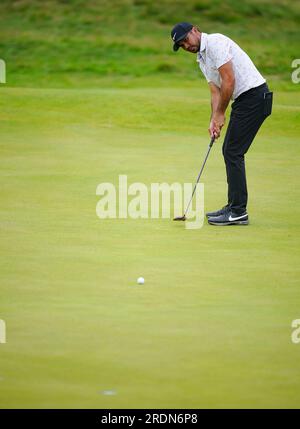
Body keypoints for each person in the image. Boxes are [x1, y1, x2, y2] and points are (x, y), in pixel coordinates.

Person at [171, 22, 273, 226]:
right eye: (181, 45)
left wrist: (220, 113)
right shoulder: (202, 59)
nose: (186, 46)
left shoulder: (216, 42)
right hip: (245, 101)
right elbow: (215, 90)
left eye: (186, 40)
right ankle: (233, 206)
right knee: (230, 150)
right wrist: (214, 119)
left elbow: (229, 80)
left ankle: (238, 211)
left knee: (232, 152)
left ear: (195, 30)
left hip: (254, 97)